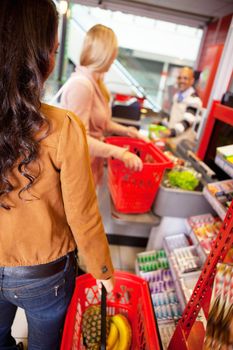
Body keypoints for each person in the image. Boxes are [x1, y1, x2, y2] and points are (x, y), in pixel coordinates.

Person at [0, 1, 114, 350]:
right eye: (54, 48)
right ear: (39, 57)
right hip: (43, 273)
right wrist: (103, 272)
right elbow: (82, 214)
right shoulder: (63, 127)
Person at [61, 24, 144, 186]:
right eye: (114, 52)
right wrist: (122, 153)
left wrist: (127, 131)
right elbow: (79, 139)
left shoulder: (97, 82)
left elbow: (102, 122)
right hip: (78, 171)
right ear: (105, 52)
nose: (114, 58)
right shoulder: (82, 85)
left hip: (91, 164)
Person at [159, 66, 202, 138]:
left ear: (192, 81)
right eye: (179, 78)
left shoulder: (194, 100)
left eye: (185, 78)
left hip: (182, 143)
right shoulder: (177, 96)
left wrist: (171, 132)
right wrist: (161, 123)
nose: (182, 81)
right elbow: (173, 116)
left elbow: (187, 122)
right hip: (171, 139)